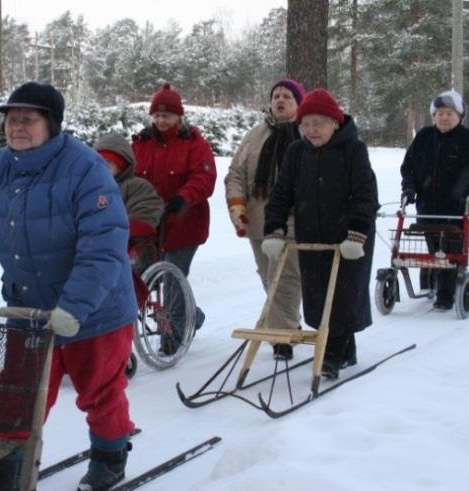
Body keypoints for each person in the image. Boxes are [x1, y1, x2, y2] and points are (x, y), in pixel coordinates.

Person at [0, 82, 137, 491]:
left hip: (96, 311)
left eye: (28, 119)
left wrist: (75, 306)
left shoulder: (86, 170)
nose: (17, 127)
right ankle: (5, 475)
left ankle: (110, 455)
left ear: (51, 123)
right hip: (28, 307)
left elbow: (103, 245)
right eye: (11, 119)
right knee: (15, 392)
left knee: (99, 391)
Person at [263, 88, 379, 379]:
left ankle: (332, 354)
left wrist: (357, 233)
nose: (312, 131)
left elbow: (366, 195)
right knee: (317, 295)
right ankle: (345, 349)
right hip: (311, 235)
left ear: (335, 123)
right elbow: (280, 194)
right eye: (306, 124)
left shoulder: (353, 151)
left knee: (342, 294)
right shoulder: (297, 152)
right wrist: (274, 229)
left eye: (319, 123)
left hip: (350, 237)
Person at [224, 78, 306, 360]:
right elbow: (235, 173)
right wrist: (236, 205)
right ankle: (289, 321)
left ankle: (281, 338)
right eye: (276, 96)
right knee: (268, 277)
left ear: (298, 103)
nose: (280, 100)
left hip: (294, 219)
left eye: (287, 96)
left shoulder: (306, 133)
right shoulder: (255, 135)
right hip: (259, 219)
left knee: (283, 276)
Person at [131, 83, 216, 347]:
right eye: (156, 115)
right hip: (149, 224)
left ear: (179, 117)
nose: (161, 120)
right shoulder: (141, 143)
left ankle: (175, 334)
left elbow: (204, 177)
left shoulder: (194, 143)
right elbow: (127, 175)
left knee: (172, 277)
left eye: (166, 115)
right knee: (143, 275)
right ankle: (192, 315)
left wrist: (184, 198)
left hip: (184, 223)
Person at [400, 90, 469, 310]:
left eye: (450, 113)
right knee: (436, 253)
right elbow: (408, 168)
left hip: (460, 211)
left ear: (459, 116)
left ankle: (445, 297)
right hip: (428, 211)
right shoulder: (424, 137)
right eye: (440, 113)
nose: (444, 117)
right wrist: (409, 188)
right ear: (434, 115)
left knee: (452, 255)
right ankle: (436, 285)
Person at [93, 132, 164, 274]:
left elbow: (145, 211)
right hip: (91, 245)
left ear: (122, 164)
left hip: (126, 246)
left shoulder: (136, 186)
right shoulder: (89, 188)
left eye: (109, 162)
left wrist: (115, 233)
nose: (103, 167)